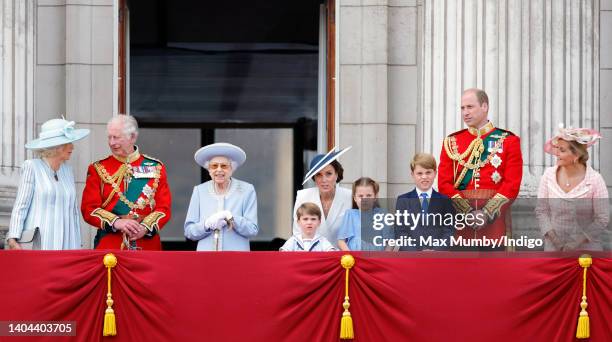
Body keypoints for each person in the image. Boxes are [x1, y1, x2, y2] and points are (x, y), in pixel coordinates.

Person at [438, 88, 523, 244]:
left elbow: (511, 184)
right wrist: (467, 212)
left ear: (485, 107)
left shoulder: (508, 141)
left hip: (495, 221)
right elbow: (444, 184)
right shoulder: (452, 142)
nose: (465, 113)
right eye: (462, 108)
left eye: (470, 107)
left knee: (494, 267)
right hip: (461, 222)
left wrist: (487, 213)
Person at [81, 115, 171, 250]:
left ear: (133, 137)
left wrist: (145, 227)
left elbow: (163, 208)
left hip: (147, 244)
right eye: (109, 137)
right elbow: (89, 209)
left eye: (116, 137)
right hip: (110, 244)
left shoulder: (156, 167)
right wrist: (117, 222)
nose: (111, 143)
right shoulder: (98, 169)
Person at [7, 118, 90, 250]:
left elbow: (73, 211)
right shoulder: (32, 167)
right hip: (40, 242)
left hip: (68, 243)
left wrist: (77, 241)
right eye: (69, 143)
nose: (72, 147)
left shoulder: (68, 171)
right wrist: (13, 238)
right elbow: (21, 205)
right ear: (57, 146)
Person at [535, 126, 609, 251]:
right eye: (557, 148)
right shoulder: (548, 175)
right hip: (554, 250)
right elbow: (541, 211)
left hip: (586, 252)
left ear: (576, 155)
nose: (556, 153)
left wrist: (576, 243)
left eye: (562, 150)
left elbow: (602, 219)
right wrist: (556, 242)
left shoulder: (595, 180)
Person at [184, 142, 258, 251]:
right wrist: (206, 224)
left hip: (236, 259)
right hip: (206, 259)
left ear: (232, 169)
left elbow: (252, 230)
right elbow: (189, 231)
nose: (219, 170)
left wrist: (232, 218)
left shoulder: (247, 190)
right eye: (214, 166)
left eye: (224, 166)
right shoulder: (199, 191)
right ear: (209, 170)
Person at [292, 147, 353, 248]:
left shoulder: (350, 196)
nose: (324, 180)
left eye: (328, 174)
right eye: (319, 175)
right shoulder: (303, 196)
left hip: (343, 257)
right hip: (311, 256)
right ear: (314, 178)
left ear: (336, 175)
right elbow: (298, 232)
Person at [394, 153, 455, 251]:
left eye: (428, 172)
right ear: (412, 175)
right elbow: (400, 232)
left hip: (437, 258)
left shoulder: (445, 201)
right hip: (411, 258)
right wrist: (417, 253)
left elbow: (448, 231)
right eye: (419, 173)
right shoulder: (403, 200)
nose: (424, 177)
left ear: (435, 173)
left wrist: (436, 251)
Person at [337, 177, 387, 251]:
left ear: (375, 197)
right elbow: (341, 241)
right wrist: (350, 255)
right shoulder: (350, 215)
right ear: (355, 198)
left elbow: (390, 242)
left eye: (369, 195)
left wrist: (384, 257)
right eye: (360, 196)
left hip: (377, 259)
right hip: (355, 259)